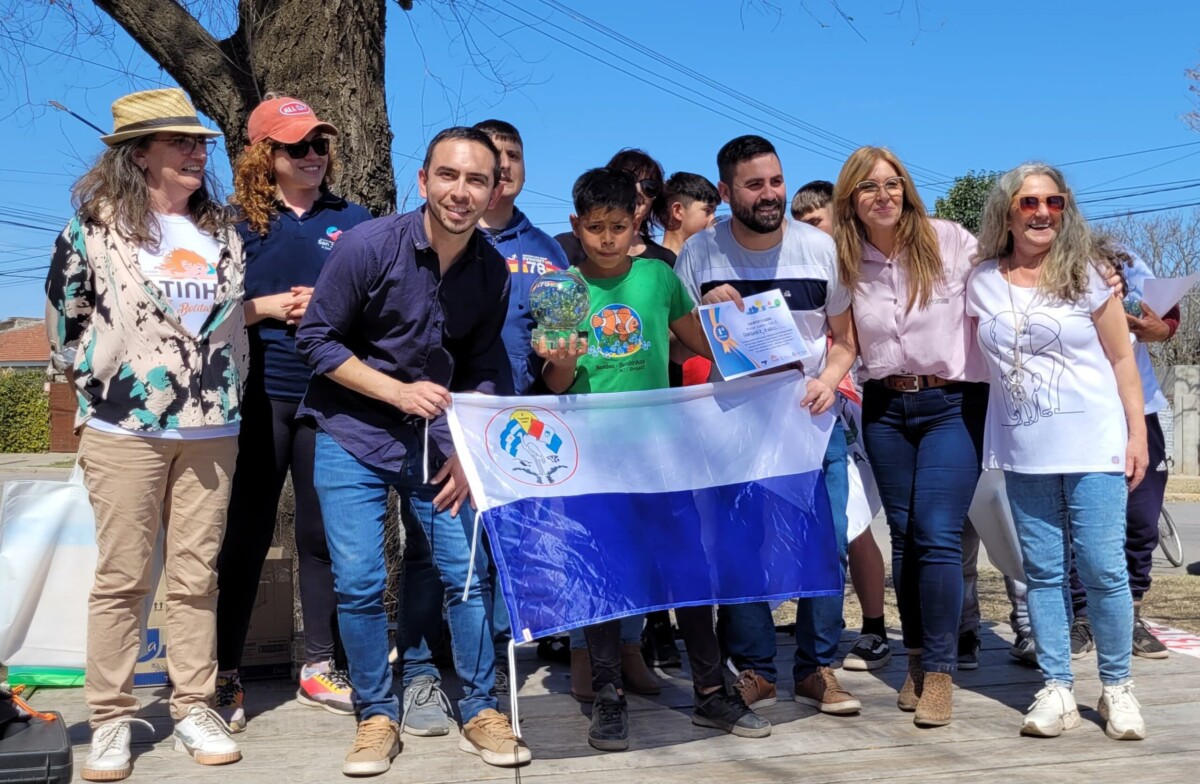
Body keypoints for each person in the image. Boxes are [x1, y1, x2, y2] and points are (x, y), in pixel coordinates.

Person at [295, 126, 529, 776]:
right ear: (423, 181)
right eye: (447, 176)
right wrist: (395, 393)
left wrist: (473, 452)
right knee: (363, 581)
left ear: (493, 190)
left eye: (476, 179)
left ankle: (482, 708)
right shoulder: (369, 246)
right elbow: (316, 339)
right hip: (350, 433)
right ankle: (376, 715)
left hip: (438, 443)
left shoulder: (490, 270)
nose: (461, 191)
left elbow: (485, 366)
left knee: (467, 575)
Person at [44, 87, 247, 781]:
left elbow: (232, 324)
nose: (198, 153)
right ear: (140, 155)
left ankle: (192, 703)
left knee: (195, 576)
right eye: (181, 143)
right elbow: (64, 324)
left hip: (213, 427)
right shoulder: (91, 230)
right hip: (123, 427)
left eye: (200, 144)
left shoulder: (223, 229)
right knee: (124, 577)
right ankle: (109, 717)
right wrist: (104, 386)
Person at [537, 166, 769, 752]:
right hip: (594, 459)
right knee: (607, 579)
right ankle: (609, 698)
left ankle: (711, 692)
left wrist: (734, 316)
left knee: (688, 571)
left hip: (665, 455)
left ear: (638, 220)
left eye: (619, 225)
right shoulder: (562, 288)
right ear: (575, 226)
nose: (608, 238)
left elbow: (704, 341)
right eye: (595, 228)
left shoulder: (659, 278)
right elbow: (555, 383)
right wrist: (561, 357)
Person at [676, 135, 860, 717]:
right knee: (739, 548)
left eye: (776, 181)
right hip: (734, 424)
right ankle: (755, 667)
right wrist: (712, 317)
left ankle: (818, 669)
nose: (770, 194)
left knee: (826, 545)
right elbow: (684, 342)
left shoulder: (820, 249)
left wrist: (829, 380)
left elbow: (846, 341)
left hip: (810, 421)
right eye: (754, 185)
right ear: (726, 192)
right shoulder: (699, 255)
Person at [967, 162, 1148, 741]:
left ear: (1065, 209)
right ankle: (1058, 688)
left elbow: (1124, 358)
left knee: (1101, 567)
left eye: (1054, 202)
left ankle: (1117, 687)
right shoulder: (981, 281)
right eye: (1029, 202)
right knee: (1041, 573)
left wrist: (1137, 434)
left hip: (1095, 444)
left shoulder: (1091, 274)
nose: (1042, 212)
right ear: (1008, 212)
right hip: (1024, 449)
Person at [214, 95, 371, 730]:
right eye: (296, 146)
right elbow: (205, 315)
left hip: (332, 396)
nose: (312, 156)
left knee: (320, 535)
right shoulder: (230, 222)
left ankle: (318, 664)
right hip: (260, 396)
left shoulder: (355, 218)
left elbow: (378, 303)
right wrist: (268, 306)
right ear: (264, 155)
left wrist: (335, 309)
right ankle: (223, 672)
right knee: (247, 532)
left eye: (320, 145)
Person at [832, 146, 988, 726]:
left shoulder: (949, 240)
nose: (883, 195)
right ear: (852, 198)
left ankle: (942, 672)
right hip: (885, 407)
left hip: (951, 402)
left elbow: (1008, 284)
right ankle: (917, 660)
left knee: (938, 533)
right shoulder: (844, 259)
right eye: (869, 188)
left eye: (892, 184)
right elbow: (835, 334)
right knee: (902, 536)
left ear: (907, 189)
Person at [791, 178, 891, 671]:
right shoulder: (804, 267)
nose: (811, 232)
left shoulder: (867, 264)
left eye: (817, 222)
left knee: (854, 523)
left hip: (867, 405)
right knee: (837, 522)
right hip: (822, 405)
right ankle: (825, 619)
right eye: (802, 224)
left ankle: (875, 626)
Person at [1066, 234, 1178, 661]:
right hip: (1079, 414)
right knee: (1078, 521)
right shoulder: (1045, 270)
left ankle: (1130, 614)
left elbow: (1167, 319)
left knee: (1143, 520)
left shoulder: (1126, 263)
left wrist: (1157, 328)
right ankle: (1082, 616)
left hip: (1141, 410)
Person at [555, 148, 676, 267]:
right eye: (628, 180)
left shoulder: (665, 263)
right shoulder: (562, 247)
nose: (638, 190)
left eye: (649, 187)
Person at [659, 171, 720, 256]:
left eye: (714, 212)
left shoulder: (709, 262)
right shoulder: (653, 265)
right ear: (678, 211)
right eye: (707, 210)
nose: (713, 219)